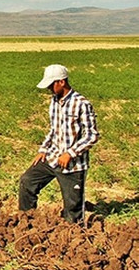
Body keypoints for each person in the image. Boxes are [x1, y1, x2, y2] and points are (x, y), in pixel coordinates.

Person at [19, 64, 99, 224]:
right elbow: (54, 130)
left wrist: (70, 153)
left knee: (73, 212)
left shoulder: (81, 104)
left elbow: (92, 135)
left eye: (51, 84)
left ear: (61, 82)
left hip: (73, 166)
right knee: (27, 181)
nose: (49, 88)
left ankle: (74, 236)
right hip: (52, 157)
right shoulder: (54, 102)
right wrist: (43, 149)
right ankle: (26, 221)